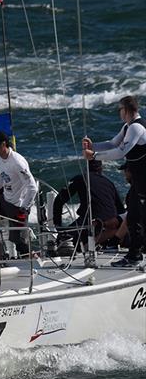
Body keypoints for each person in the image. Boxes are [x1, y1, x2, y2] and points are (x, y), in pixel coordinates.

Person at [82, 95, 146, 266]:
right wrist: (93, 146)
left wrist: (94, 156)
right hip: (139, 181)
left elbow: (120, 152)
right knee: (133, 216)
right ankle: (135, 255)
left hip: (144, 180)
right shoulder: (128, 127)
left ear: (127, 110)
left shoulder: (136, 128)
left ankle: (136, 255)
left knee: (140, 218)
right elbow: (112, 144)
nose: (119, 113)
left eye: (120, 110)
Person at [52, 159, 124, 246]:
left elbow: (59, 201)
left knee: (63, 241)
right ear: (101, 169)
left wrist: (58, 227)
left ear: (86, 168)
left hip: (91, 222)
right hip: (111, 224)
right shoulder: (109, 183)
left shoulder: (80, 178)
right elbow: (121, 210)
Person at [0, 130, 38, 257]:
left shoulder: (17, 163)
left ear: (2, 145)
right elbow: (2, 178)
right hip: (5, 200)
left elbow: (32, 187)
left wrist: (24, 208)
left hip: (18, 206)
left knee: (19, 241)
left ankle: (31, 257)